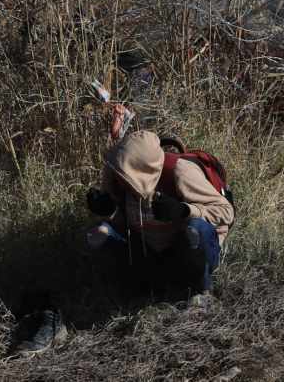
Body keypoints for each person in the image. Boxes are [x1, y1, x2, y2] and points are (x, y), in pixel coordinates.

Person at [86, 130, 235, 304]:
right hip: (151, 249)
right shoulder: (121, 175)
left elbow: (226, 212)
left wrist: (183, 211)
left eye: (122, 175)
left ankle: (199, 290)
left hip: (185, 248)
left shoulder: (181, 172)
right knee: (98, 234)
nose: (119, 180)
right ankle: (139, 288)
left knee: (195, 228)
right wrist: (107, 209)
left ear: (140, 168)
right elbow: (122, 222)